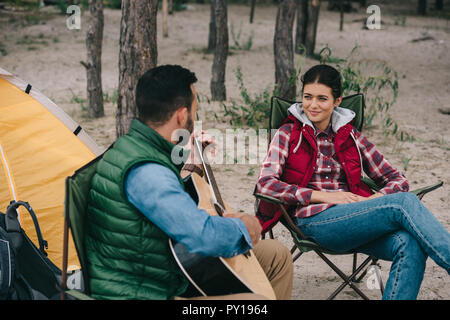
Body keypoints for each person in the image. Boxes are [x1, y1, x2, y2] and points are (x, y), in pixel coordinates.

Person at [84, 64, 293, 300]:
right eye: (195, 109)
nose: (195, 116)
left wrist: (190, 160)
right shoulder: (147, 173)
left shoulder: (134, 147)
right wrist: (246, 226)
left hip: (166, 270)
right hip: (145, 292)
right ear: (182, 115)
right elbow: (202, 236)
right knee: (255, 303)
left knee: (276, 255)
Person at [255, 64, 450, 300]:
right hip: (314, 221)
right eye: (307, 97)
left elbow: (397, 179)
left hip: (357, 218)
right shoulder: (288, 133)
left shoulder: (351, 136)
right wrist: (324, 196)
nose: (313, 105)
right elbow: (265, 185)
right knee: (403, 204)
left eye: (322, 98)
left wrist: (376, 200)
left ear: (337, 101)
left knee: (409, 244)